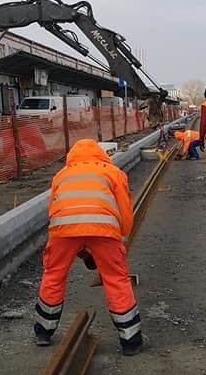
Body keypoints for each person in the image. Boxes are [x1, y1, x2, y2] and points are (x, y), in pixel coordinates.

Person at [34, 138, 144, 356]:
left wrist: (80, 250)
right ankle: (131, 341)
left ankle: (43, 332)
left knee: (53, 275)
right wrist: (121, 237)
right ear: (101, 155)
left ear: (72, 156)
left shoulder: (61, 175)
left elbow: (53, 210)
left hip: (63, 230)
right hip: (104, 230)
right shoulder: (112, 172)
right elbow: (125, 210)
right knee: (116, 279)